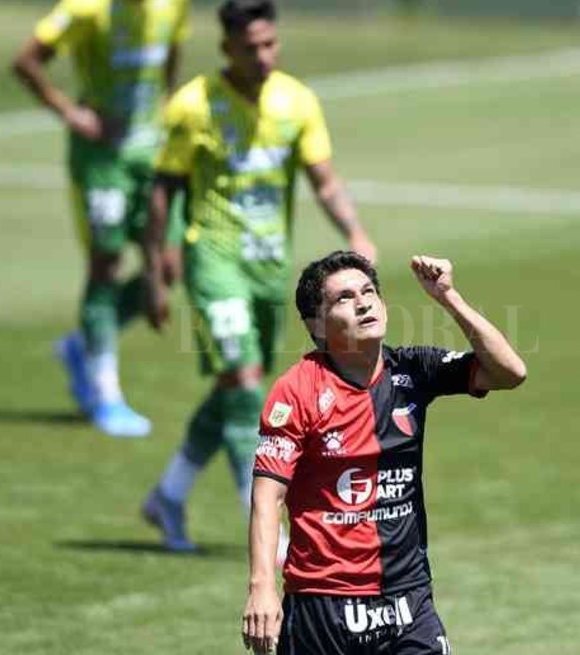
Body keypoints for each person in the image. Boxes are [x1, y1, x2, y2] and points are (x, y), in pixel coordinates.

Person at [138, 0, 377, 552]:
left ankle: (169, 496)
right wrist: (155, 272)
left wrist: (356, 233)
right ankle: (265, 530)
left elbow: (324, 180)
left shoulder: (297, 101)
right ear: (227, 49)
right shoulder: (192, 106)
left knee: (234, 387)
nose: (264, 56)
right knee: (246, 386)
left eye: (271, 44)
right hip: (213, 262)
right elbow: (162, 190)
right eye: (251, 48)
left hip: (270, 271)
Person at [242, 251, 528, 654]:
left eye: (369, 291)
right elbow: (267, 496)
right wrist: (262, 588)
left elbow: (509, 372)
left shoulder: (413, 370)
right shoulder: (298, 390)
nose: (363, 303)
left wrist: (449, 298)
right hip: (323, 607)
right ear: (316, 325)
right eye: (344, 298)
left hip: (408, 598)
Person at [11, 0, 190, 437]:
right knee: (105, 266)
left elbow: (171, 50)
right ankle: (105, 395)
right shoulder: (85, 9)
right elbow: (26, 61)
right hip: (102, 161)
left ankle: (82, 346)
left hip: (151, 153)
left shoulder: (172, 5)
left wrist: (166, 104)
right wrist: (72, 114)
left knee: (170, 266)